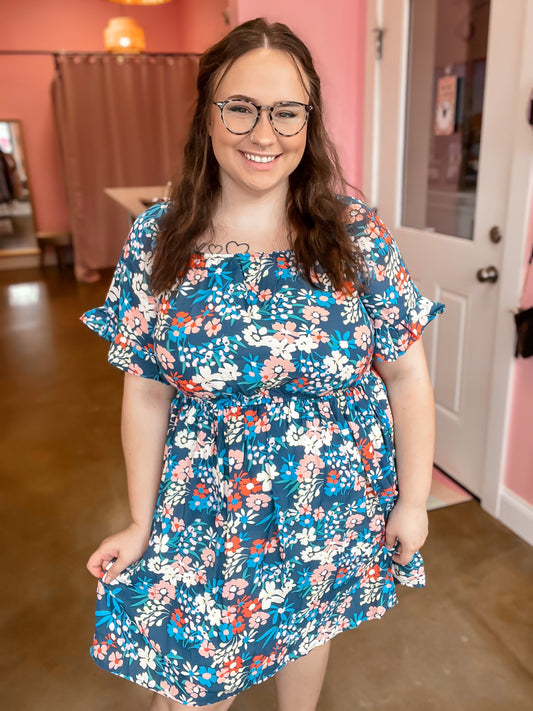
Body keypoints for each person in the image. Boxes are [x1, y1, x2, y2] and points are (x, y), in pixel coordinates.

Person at [81, 17, 444, 711]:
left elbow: (404, 371)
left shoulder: (351, 232)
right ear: (207, 114)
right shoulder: (158, 237)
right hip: (203, 508)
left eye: (286, 111)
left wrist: (413, 499)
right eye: (240, 106)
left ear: (308, 120)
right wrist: (138, 519)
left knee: (307, 632)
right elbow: (146, 392)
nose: (264, 133)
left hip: (330, 504)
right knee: (191, 685)